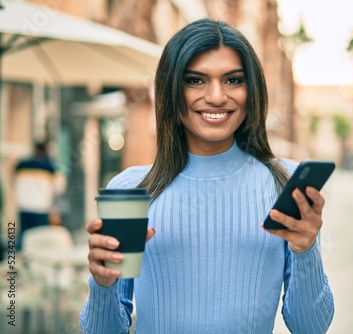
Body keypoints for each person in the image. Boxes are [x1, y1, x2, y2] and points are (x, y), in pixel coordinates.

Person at [80, 18, 334, 333]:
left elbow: (310, 327)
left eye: (233, 80)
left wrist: (306, 249)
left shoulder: (284, 182)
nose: (216, 96)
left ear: (251, 90)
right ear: (172, 88)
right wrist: (102, 283)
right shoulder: (132, 188)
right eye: (196, 80)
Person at [14, 141, 64, 250]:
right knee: (39, 239)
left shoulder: (21, 165)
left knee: (23, 236)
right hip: (41, 208)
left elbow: (13, 182)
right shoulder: (51, 167)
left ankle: (18, 260)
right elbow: (59, 188)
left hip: (24, 206)